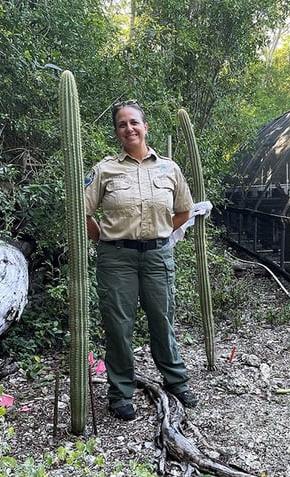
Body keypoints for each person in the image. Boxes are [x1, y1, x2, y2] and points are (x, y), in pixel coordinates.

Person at [85, 99, 198, 421]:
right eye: (122, 124)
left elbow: (183, 211)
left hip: (158, 256)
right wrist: (105, 238)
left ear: (145, 127)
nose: (129, 128)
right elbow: (84, 211)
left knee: (162, 320)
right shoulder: (104, 170)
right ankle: (120, 393)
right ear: (117, 132)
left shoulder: (169, 168)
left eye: (134, 122)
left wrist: (160, 235)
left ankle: (176, 381)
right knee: (119, 326)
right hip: (116, 258)